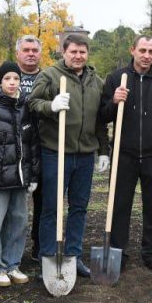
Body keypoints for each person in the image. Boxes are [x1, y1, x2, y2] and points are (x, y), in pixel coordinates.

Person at [99, 35, 152, 275]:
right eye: (143, 50)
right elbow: (103, 116)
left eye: (151, 51)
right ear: (132, 50)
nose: (147, 56)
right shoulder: (117, 78)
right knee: (119, 204)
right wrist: (114, 101)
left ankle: (151, 253)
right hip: (123, 154)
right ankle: (118, 252)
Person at [28, 33, 110, 277]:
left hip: (85, 155)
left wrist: (103, 151)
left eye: (82, 52)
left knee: (79, 208)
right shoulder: (49, 76)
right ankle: (48, 258)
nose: (78, 56)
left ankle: (73, 255)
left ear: (87, 54)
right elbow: (33, 104)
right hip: (55, 152)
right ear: (63, 52)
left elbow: (100, 121)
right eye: (73, 51)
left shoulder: (97, 81)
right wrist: (51, 106)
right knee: (52, 208)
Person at [0, 61, 40, 287]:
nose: (12, 83)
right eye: (7, 79)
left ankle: (12, 264)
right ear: (0, 81)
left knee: (18, 221)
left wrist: (33, 176)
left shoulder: (25, 107)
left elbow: (32, 143)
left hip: (20, 177)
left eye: (16, 79)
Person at [12, 35, 47, 262]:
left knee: (43, 201)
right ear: (18, 53)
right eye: (26, 49)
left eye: (35, 50)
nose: (31, 53)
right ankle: (12, 249)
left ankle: (39, 247)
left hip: (43, 145)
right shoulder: (10, 77)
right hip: (15, 149)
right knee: (14, 203)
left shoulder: (48, 77)